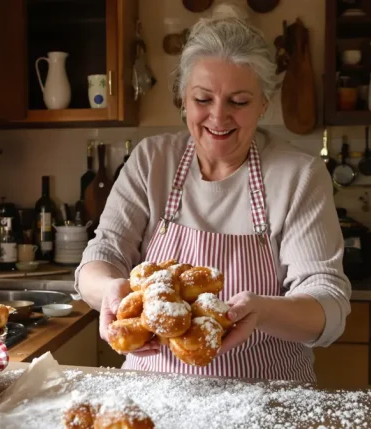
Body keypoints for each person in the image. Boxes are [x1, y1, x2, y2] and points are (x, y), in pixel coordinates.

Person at [75, 7, 351, 381]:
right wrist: (110, 290)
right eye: (203, 99)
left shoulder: (299, 176)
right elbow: (103, 255)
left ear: (263, 103)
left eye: (239, 101)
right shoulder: (152, 161)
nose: (218, 117)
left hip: (266, 392)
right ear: (183, 99)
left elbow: (328, 306)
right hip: (153, 389)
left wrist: (263, 312)